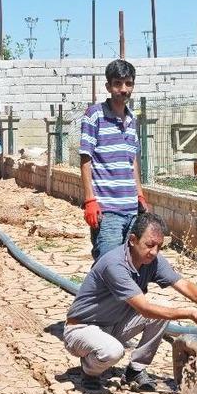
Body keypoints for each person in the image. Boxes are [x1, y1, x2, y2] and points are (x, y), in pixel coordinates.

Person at [63, 212, 197, 392]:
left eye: (159, 246)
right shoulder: (115, 265)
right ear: (132, 240)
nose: (154, 251)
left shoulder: (152, 260)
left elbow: (184, 285)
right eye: (149, 245)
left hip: (113, 325)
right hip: (81, 329)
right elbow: (145, 309)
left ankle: (135, 369)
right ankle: (89, 371)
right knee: (113, 351)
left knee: (162, 312)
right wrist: (190, 314)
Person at [80, 59, 151, 262]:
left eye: (128, 84)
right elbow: (86, 160)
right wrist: (90, 200)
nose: (123, 89)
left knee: (129, 266)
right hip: (107, 211)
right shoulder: (95, 115)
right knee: (107, 265)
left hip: (131, 210)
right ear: (108, 86)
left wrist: (140, 196)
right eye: (118, 84)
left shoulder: (131, 120)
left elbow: (132, 162)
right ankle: (93, 295)